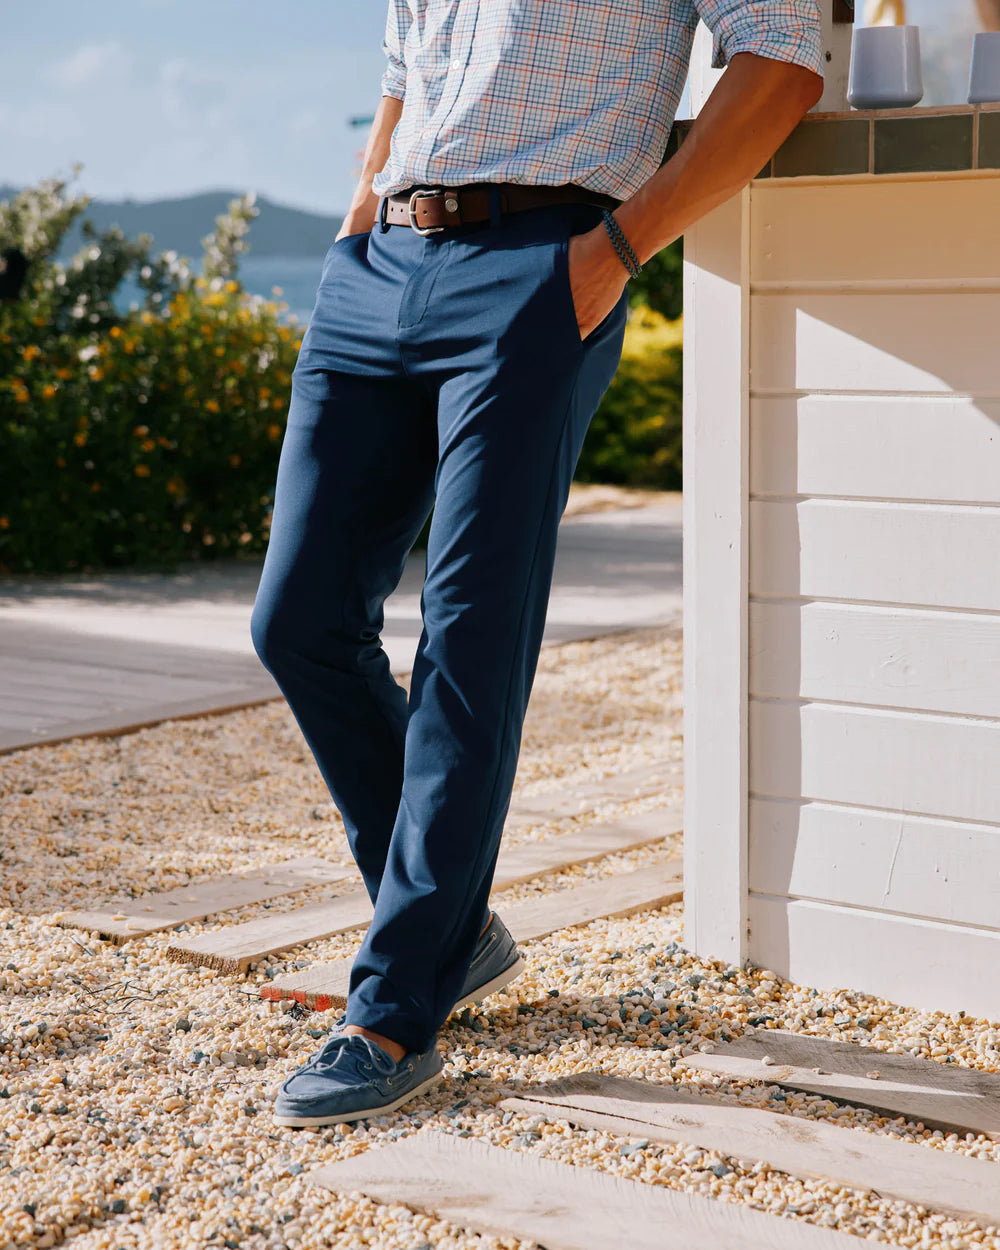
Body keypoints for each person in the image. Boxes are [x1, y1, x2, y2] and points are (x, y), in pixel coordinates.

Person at [251, 0, 824, 1128]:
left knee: (469, 639)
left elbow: (785, 60)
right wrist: (361, 213)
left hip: (542, 263)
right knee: (299, 618)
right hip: (378, 263)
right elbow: (406, 71)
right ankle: (450, 928)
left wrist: (616, 249)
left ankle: (393, 1009)